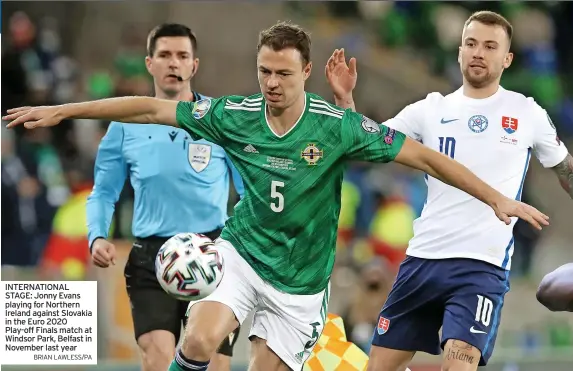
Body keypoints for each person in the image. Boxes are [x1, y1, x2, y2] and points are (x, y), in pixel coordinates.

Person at [4, 21, 551, 371]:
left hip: (302, 285)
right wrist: (64, 110)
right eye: (264, 71)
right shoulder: (234, 116)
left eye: (283, 74)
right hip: (241, 256)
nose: (271, 83)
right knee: (199, 341)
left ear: (305, 73)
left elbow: (426, 157)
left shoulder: (336, 126)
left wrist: (493, 198)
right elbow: (149, 109)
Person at [325, 10, 572, 371]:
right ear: (459, 52)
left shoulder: (526, 112)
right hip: (423, 259)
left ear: (507, 58)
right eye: (471, 44)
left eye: (490, 46)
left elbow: (565, 170)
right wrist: (346, 104)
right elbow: (368, 145)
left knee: (458, 364)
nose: (478, 53)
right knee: (376, 367)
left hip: (481, 267)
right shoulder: (430, 109)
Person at [85, 23, 243, 371]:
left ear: (194, 65)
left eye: (182, 56)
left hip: (212, 255)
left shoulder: (221, 120)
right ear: (149, 63)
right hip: (151, 258)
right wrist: (97, 236)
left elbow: (248, 193)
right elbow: (103, 192)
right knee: (158, 361)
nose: (174, 63)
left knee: (214, 363)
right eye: (165, 55)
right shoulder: (123, 126)